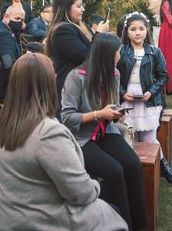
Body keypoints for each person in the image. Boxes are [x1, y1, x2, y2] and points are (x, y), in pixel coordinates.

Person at [0, 53, 128, 231]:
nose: (56, 77)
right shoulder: (48, 133)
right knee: (114, 213)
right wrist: (95, 185)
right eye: (53, 75)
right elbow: (80, 194)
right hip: (38, 220)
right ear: (48, 82)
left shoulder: (3, 122)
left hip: (4, 215)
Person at [61, 33, 148, 231]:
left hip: (105, 131)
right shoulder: (76, 77)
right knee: (114, 171)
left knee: (133, 164)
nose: (120, 56)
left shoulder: (114, 74)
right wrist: (99, 113)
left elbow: (110, 106)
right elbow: (66, 118)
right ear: (107, 55)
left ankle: (140, 225)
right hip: (81, 138)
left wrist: (116, 113)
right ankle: (115, 223)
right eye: (118, 52)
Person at [119, 12, 172, 183]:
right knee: (131, 137)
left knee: (149, 138)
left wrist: (151, 91)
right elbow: (113, 75)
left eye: (141, 29)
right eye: (133, 29)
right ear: (126, 32)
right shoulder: (121, 51)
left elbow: (163, 76)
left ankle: (163, 165)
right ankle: (136, 173)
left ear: (147, 30)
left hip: (149, 101)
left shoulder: (154, 51)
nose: (138, 33)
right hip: (127, 99)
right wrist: (122, 93)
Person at [45, 0, 108, 109]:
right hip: (68, 87)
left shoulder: (75, 27)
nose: (83, 9)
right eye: (79, 6)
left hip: (78, 86)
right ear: (66, 8)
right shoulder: (62, 31)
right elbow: (85, 56)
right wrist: (99, 34)